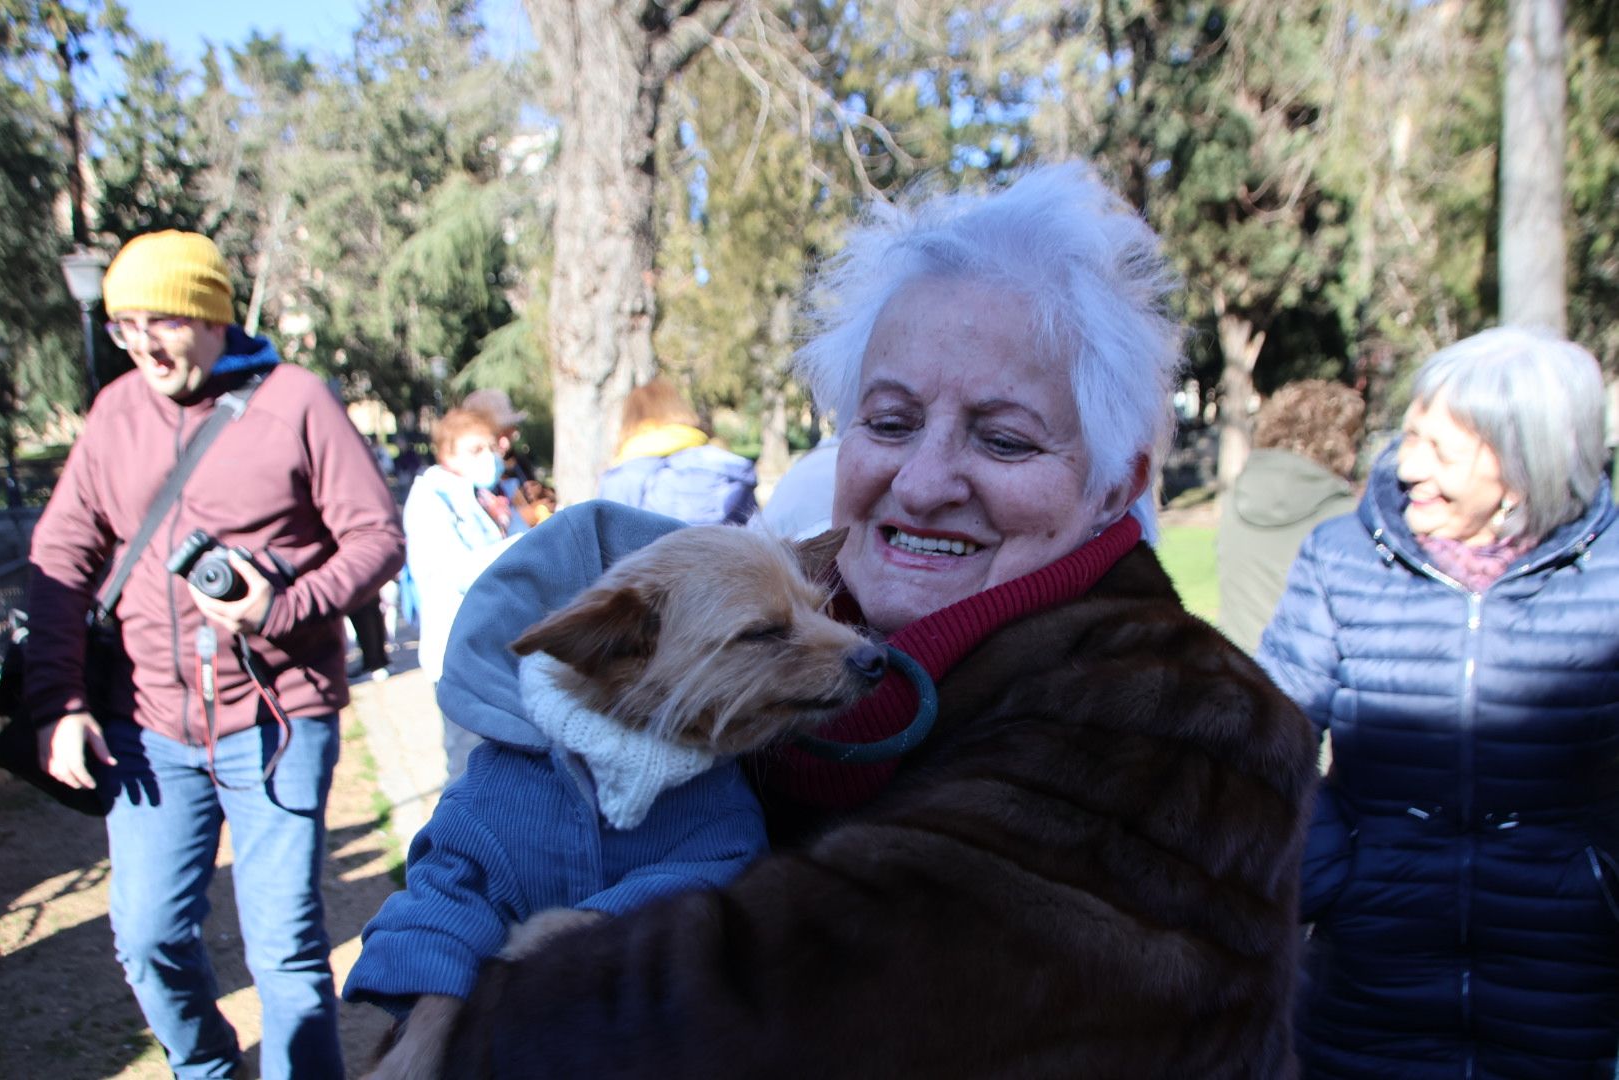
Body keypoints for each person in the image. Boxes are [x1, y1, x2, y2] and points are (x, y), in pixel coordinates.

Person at [359, 163, 1319, 1076]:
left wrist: (469, 1012)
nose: (927, 480)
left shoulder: (1187, 733)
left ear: (1119, 483)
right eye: (891, 422)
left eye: (1005, 438)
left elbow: (768, 1029)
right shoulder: (741, 612)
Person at [23, 230, 405, 1079]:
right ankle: (206, 1068)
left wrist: (285, 605)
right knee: (149, 937)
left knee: (287, 956)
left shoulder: (297, 400)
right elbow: (60, 561)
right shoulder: (114, 413)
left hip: (277, 721)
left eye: (159, 320)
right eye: (123, 324)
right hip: (149, 727)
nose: (141, 344)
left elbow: (377, 539)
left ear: (208, 314)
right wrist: (58, 703)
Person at [1258, 327, 1619, 1078]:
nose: (1408, 466)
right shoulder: (1341, 557)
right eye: (1410, 436)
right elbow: (1267, 742)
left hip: (1563, 983)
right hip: (1366, 978)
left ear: (1526, 464)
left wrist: (1596, 876)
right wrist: (1332, 871)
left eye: (1442, 451)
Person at [401, 406, 515, 783]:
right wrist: (525, 546)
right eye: (475, 450)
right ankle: (458, 841)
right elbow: (455, 571)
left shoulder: (485, 496)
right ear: (448, 454)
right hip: (458, 654)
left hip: (498, 649)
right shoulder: (432, 499)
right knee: (468, 765)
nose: (488, 458)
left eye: (489, 448)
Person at [1217, 379, 1364, 654]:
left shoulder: (1235, 497)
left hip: (1236, 672)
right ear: (1340, 443)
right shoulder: (1348, 518)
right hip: (1303, 682)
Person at [597, 376, 758, 525]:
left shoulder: (620, 480)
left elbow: (610, 549)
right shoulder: (728, 468)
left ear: (630, 420)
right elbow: (757, 539)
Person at [462, 387, 542, 535]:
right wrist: (520, 519)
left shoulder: (509, 471)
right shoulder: (454, 492)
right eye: (497, 435)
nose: (505, 443)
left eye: (508, 433)